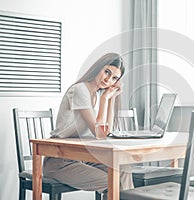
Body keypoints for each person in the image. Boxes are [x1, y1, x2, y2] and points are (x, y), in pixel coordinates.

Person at [43, 53, 134, 196]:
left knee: (123, 168)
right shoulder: (80, 90)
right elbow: (99, 134)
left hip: (81, 158)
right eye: (107, 72)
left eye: (114, 78)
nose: (108, 79)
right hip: (59, 161)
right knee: (112, 181)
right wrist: (105, 98)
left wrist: (111, 99)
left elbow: (106, 132)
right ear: (98, 68)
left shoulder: (95, 94)